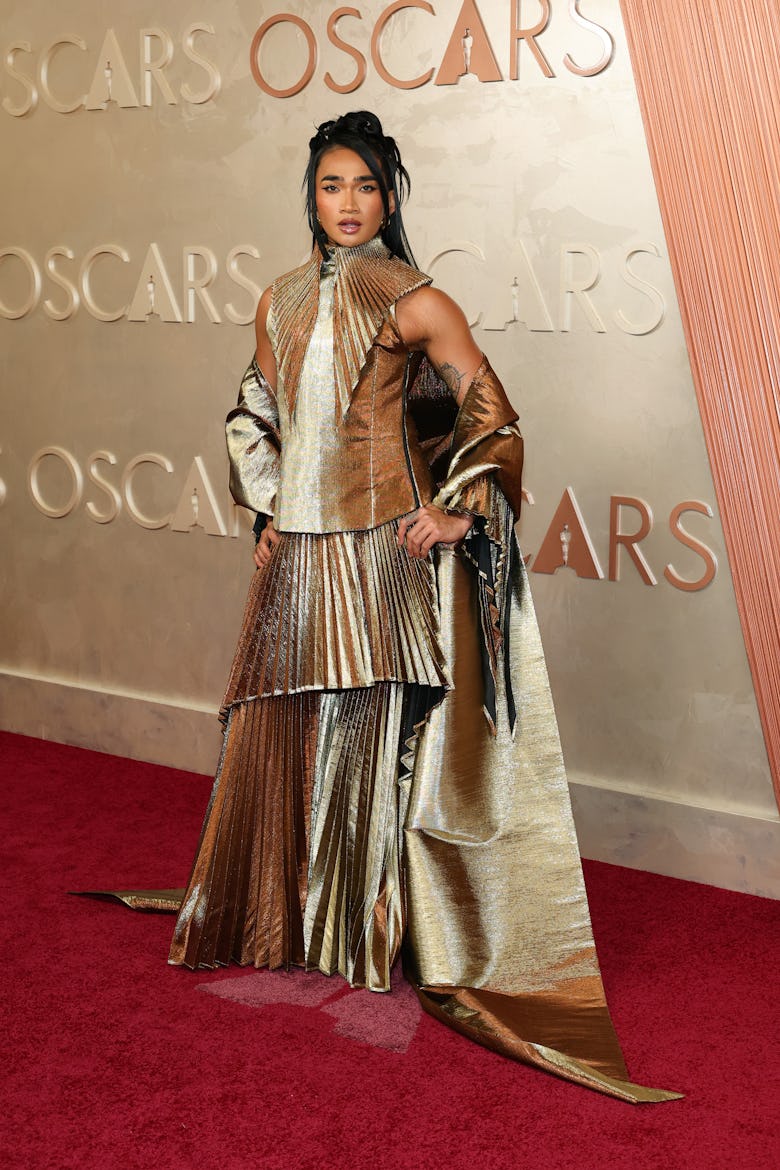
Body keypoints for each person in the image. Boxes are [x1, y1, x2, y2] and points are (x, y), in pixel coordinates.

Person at [164, 111, 677, 1103]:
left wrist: (457, 508)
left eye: (365, 185)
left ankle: (360, 932)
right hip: (300, 556)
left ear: (390, 196)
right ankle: (285, 916)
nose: (348, 203)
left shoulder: (416, 300)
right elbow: (254, 416)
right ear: (309, 197)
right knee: (284, 734)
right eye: (330, 186)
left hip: (380, 549)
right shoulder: (273, 301)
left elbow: (494, 415)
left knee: (366, 739)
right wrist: (267, 510)